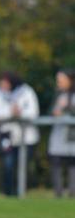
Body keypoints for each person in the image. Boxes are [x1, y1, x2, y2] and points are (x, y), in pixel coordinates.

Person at [0, 71, 39, 196]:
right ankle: (8, 193)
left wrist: (20, 112)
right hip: (7, 135)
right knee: (8, 165)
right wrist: (10, 112)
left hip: (27, 137)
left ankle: (21, 192)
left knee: (22, 166)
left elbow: (33, 112)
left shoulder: (26, 92)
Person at [48, 69, 75, 198]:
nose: (58, 83)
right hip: (58, 134)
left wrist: (67, 108)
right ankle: (58, 193)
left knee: (72, 164)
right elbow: (50, 111)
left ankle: (72, 193)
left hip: (72, 135)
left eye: (61, 80)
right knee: (56, 162)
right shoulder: (57, 95)